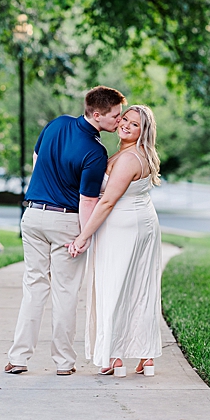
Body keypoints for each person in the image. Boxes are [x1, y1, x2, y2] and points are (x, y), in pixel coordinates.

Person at [4, 85, 125, 375]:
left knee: (34, 287)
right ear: (97, 115)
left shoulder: (56, 124)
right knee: (65, 292)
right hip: (66, 221)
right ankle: (63, 363)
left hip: (32, 215)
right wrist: (85, 236)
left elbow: (37, 160)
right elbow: (87, 200)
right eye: (116, 116)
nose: (119, 121)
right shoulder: (95, 152)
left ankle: (18, 359)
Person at [67, 104, 163, 378]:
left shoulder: (128, 159)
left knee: (114, 287)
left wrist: (83, 236)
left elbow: (108, 200)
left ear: (143, 131)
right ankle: (146, 356)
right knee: (140, 289)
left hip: (123, 227)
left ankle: (114, 356)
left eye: (134, 124)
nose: (125, 125)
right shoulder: (136, 154)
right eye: (125, 120)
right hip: (141, 222)